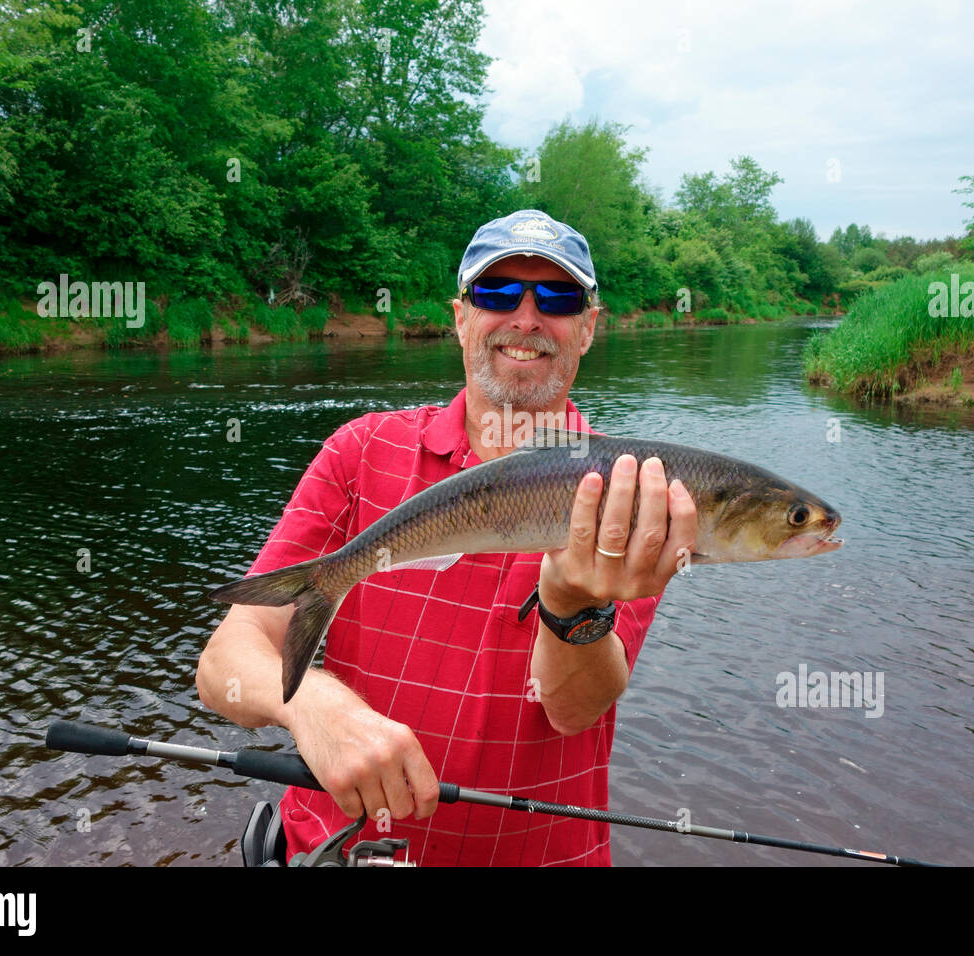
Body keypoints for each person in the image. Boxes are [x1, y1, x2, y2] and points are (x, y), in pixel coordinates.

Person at [196, 209, 697, 865]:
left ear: (588, 327)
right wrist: (312, 703)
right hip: (336, 850)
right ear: (460, 316)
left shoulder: (631, 488)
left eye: (557, 297)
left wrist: (571, 604)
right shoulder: (359, 451)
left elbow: (574, 710)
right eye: (496, 294)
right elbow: (223, 664)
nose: (525, 318)